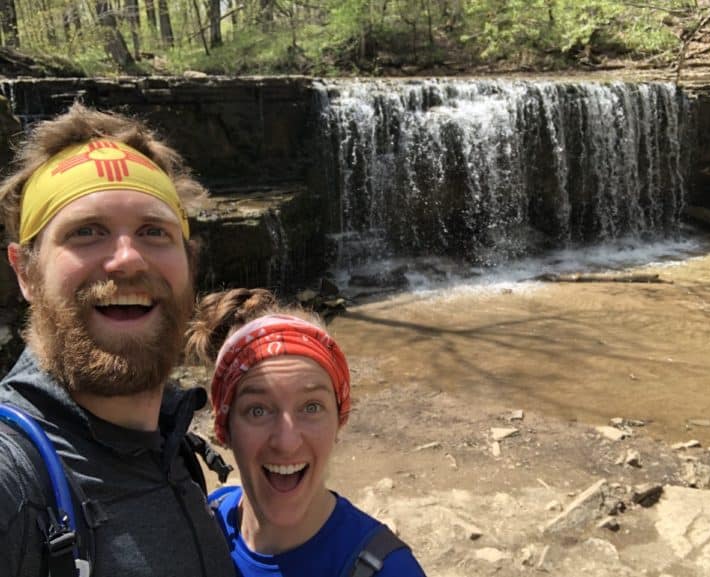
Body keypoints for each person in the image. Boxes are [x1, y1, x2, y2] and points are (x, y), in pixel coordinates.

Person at [0, 103, 236, 577]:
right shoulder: (15, 484)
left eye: (154, 231)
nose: (128, 260)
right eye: (87, 232)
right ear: (25, 271)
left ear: (189, 263)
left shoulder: (177, 450)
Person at [185, 288, 427, 577]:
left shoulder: (391, 571)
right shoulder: (201, 528)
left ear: (340, 420)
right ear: (223, 428)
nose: (287, 443)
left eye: (311, 407)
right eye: (258, 410)